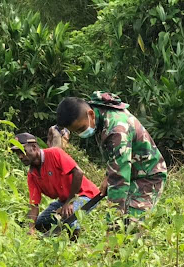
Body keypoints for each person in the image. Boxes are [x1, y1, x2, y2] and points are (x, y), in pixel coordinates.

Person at [55, 92, 167, 223]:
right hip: (130, 169)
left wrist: (112, 223)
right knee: (123, 220)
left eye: (81, 128)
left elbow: (119, 180)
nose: (80, 133)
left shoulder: (116, 131)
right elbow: (114, 158)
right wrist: (108, 175)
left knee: (131, 224)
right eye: (76, 131)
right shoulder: (98, 112)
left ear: (90, 114)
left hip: (148, 176)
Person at [11, 132, 101, 237]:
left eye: (23, 151)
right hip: (63, 200)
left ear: (34, 147)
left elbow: (78, 173)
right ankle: (58, 234)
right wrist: (31, 228)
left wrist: (70, 202)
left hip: (85, 194)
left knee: (68, 216)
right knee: (40, 224)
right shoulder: (32, 175)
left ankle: (74, 245)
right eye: (18, 154)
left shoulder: (54, 153)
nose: (20, 157)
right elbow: (34, 204)